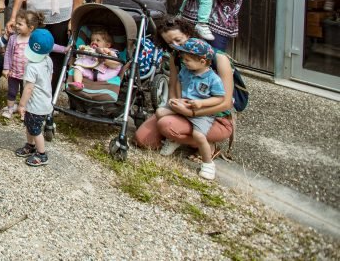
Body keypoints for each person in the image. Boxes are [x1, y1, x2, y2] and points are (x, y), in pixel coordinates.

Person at [134, 15, 236, 161]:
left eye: (178, 40)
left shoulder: (218, 59)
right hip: (185, 108)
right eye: (169, 43)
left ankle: (207, 144)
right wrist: (176, 105)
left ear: (188, 34)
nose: (175, 45)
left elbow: (225, 103)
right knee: (142, 140)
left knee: (166, 125)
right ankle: (182, 135)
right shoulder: (176, 56)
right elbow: (174, 85)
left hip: (213, 116)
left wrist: (192, 112)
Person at [155, 38, 226, 180]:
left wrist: (201, 104)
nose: (184, 62)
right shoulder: (186, 71)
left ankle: (208, 163)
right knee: (160, 112)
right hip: (184, 104)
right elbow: (179, 83)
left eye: (188, 60)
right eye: (184, 59)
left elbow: (220, 98)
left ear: (202, 62)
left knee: (198, 135)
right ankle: (173, 139)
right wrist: (178, 98)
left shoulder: (213, 79)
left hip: (202, 113)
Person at [15, 28, 55, 167]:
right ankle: (30, 145)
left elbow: (28, 88)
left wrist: (21, 105)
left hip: (35, 105)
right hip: (45, 101)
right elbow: (49, 78)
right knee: (30, 126)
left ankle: (42, 154)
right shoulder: (48, 60)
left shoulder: (32, 66)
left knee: (36, 130)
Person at [1, 9, 42, 118]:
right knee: (12, 92)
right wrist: (6, 68)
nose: (17, 26)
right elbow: (8, 53)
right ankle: (10, 109)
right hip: (14, 72)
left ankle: (24, 111)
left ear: (31, 28)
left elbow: (46, 50)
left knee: (26, 93)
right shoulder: (13, 38)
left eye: (20, 24)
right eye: (17, 23)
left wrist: (63, 49)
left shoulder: (34, 40)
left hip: (28, 74)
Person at [68, 26, 121, 92]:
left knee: (113, 61)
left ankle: (102, 56)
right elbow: (81, 58)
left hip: (105, 74)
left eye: (98, 40)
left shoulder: (111, 50)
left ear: (107, 45)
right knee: (78, 68)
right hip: (90, 72)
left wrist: (108, 53)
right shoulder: (90, 50)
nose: (94, 42)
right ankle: (78, 84)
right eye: (92, 40)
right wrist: (82, 51)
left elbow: (115, 61)